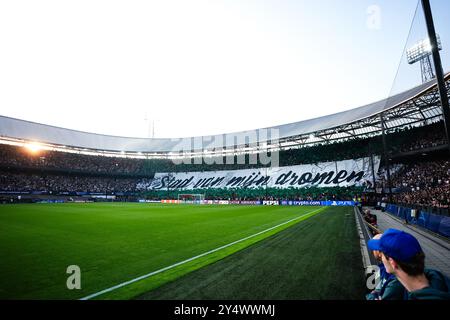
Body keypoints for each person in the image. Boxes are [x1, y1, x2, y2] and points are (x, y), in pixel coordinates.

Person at [368, 229, 450, 300]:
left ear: (392, 262)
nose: (380, 258)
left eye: (381, 255)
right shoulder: (438, 279)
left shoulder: (399, 288)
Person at [366, 234, 405, 300]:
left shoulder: (396, 282)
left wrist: (372, 295)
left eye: (374, 249)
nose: (373, 251)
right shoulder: (383, 267)